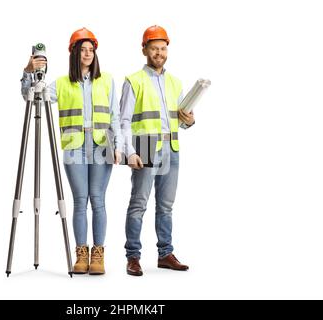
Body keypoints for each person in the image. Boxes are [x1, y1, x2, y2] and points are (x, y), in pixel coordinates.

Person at [21, 28, 123, 275]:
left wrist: (118, 145)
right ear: (74, 53)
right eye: (83, 49)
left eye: (91, 50)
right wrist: (27, 72)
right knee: (80, 201)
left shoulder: (107, 80)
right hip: (74, 146)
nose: (87, 54)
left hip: (101, 146)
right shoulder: (61, 83)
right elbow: (30, 96)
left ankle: (98, 254)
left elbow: (115, 116)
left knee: (98, 201)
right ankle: (81, 253)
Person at [120, 25, 195, 276]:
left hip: (171, 148)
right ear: (144, 50)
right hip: (146, 147)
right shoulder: (134, 81)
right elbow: (123, 121)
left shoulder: (175, 82)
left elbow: (182, 121)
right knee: (139, 204)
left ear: (167, 51)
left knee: (166, 206)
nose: (159, 52)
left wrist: (190, 120)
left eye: (163, 48)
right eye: (154, 48)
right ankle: (133, 256)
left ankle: (165, 253)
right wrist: (130, 151)